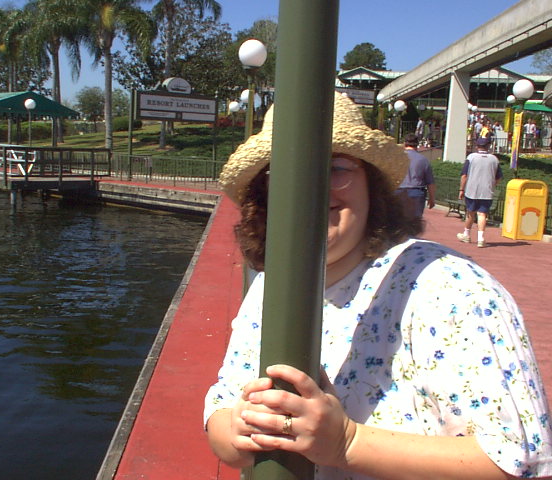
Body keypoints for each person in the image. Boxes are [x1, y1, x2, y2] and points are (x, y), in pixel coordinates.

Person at [204, 94, 552, 480]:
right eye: (283, 172)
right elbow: (221, 408)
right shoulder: (272, 284)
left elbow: (516, 459)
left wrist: (346, 443)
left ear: (371, 184)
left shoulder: (449, 287)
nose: (311, 189)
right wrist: (237, 431)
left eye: (335, 168)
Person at [457, 136, 503, 248]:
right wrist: (492, 185)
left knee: (470, 213)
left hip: (472, 190)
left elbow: (464, 175)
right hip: (487, 191)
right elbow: (499, 177)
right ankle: (481, 238)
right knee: (482, 214)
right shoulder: (494, 159)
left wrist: (461, 189)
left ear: (477, 146)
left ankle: (466, 235)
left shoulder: (471, 157)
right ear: (488, 146)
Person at [396, 133, 436, 219]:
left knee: (398, 222)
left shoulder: (397, 158)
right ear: (417, 144)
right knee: (414, 224)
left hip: (399, 191)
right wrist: (432, 198)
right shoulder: (423, 160)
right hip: (416, 192)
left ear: (404, 144)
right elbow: (430, 182)